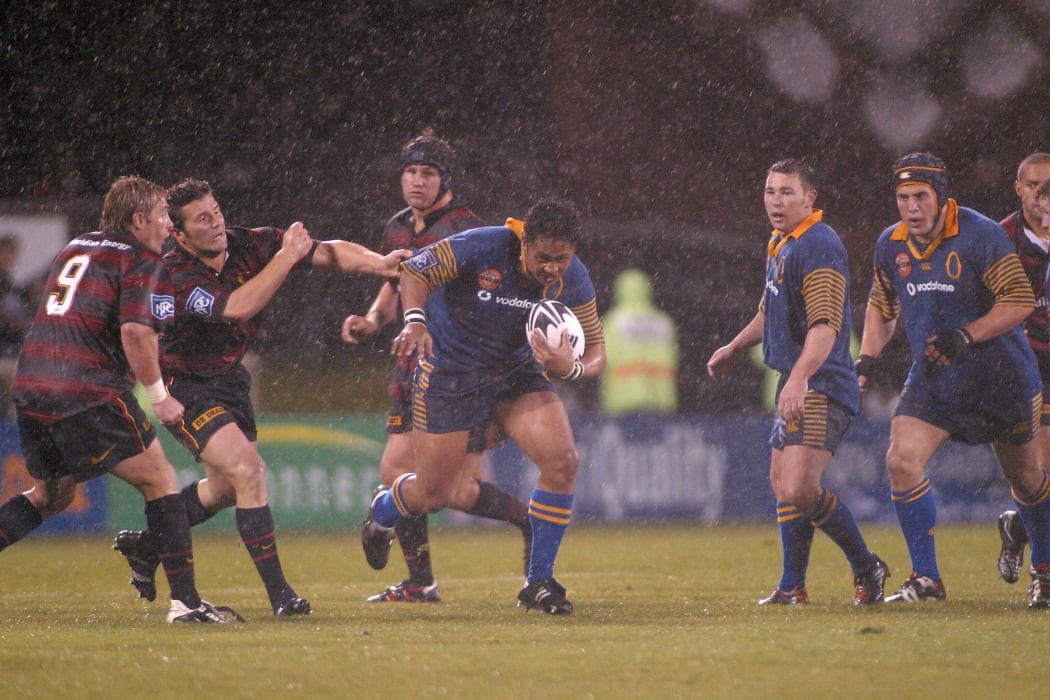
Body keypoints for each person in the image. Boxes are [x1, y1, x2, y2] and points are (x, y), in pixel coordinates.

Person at [113, 178, 409, 616]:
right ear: (178, 234)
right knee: (249, 470)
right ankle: (281, 597)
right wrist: (286, 256)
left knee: (225, 489)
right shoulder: (173, 273)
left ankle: (149, 544)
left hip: (230, 380)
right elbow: (237, 306)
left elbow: (326, 251)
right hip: (185, 385)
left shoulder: (247, 243)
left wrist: (379, 263)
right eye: (202, 219)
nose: (216, 223)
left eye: (216, 211)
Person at [0, 176, 238, 623]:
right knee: (161, 480)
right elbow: (135, 332)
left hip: (32, 385)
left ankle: (183, 599)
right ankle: (186, 604)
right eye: (163, 215)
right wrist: (158, 396)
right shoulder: (142, 259)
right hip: (87, 389)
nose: (169, 225)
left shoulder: (76, 246)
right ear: (138, 220)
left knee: (50, 495)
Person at [363, 198, 606, 615]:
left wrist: (573, 367)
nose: (552, 268)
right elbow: (415, 270)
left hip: (516, 374)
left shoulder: (574, 275)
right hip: (451, 372)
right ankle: (384, 509)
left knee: (563, 461)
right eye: (543, 258)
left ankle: (538, 582)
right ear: (524, 242)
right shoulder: (484, 246)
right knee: (436, 493)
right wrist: (415, 320)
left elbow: (598, 351)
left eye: (561, 259)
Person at [343, 131, 532, 603]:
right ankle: (420, 582)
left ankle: (530, 521)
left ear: (445, 180)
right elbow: (397, 282)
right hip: (414, 362)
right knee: (398, 470)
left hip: (459, 368)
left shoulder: (465, 229)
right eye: (410, 172)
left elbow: (485, 297)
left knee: (455, 491)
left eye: (428, 173)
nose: (417, 181)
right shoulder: (397, 227)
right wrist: (372, 320)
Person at [856, 153, 1050, 607]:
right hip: (936, 378)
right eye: (903, 197)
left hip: (1002, 380)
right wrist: (866, 357)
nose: (912, 208)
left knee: (1027, 479)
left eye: (921, 197)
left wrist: (967, 334)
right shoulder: (891, 243)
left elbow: (1019, 299)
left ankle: (1044, 571)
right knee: (901, 459)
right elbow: (882, 305)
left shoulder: (980, 234)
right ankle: (926, 578)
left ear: (941, 197)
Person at [707, 159, 888, 606]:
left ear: (810, 199)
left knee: (800, 488)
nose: (776, 201)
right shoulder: (781, 243)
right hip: (800, 379)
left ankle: (866, 564)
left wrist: (800, 378)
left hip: (821, 383)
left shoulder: (819, 245)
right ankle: (792, 586)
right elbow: (768, 309)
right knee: (781, 482)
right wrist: (734, 346)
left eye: (787, 192)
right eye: (770, 191)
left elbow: (826, 325)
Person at [992, 154, 1050, 600]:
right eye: (1032, 186)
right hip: (1028, 364)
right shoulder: (1001, 239)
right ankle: (1042, 573)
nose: (1039, 195)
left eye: (1047, 187)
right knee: (1038, 470)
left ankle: (1018, 527)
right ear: (1018, 189)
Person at [598, 267, 678, 416]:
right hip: (661, 401)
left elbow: (603, 359)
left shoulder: (615, 321)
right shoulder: (663, 322)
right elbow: (673, 359)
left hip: (622, 399)